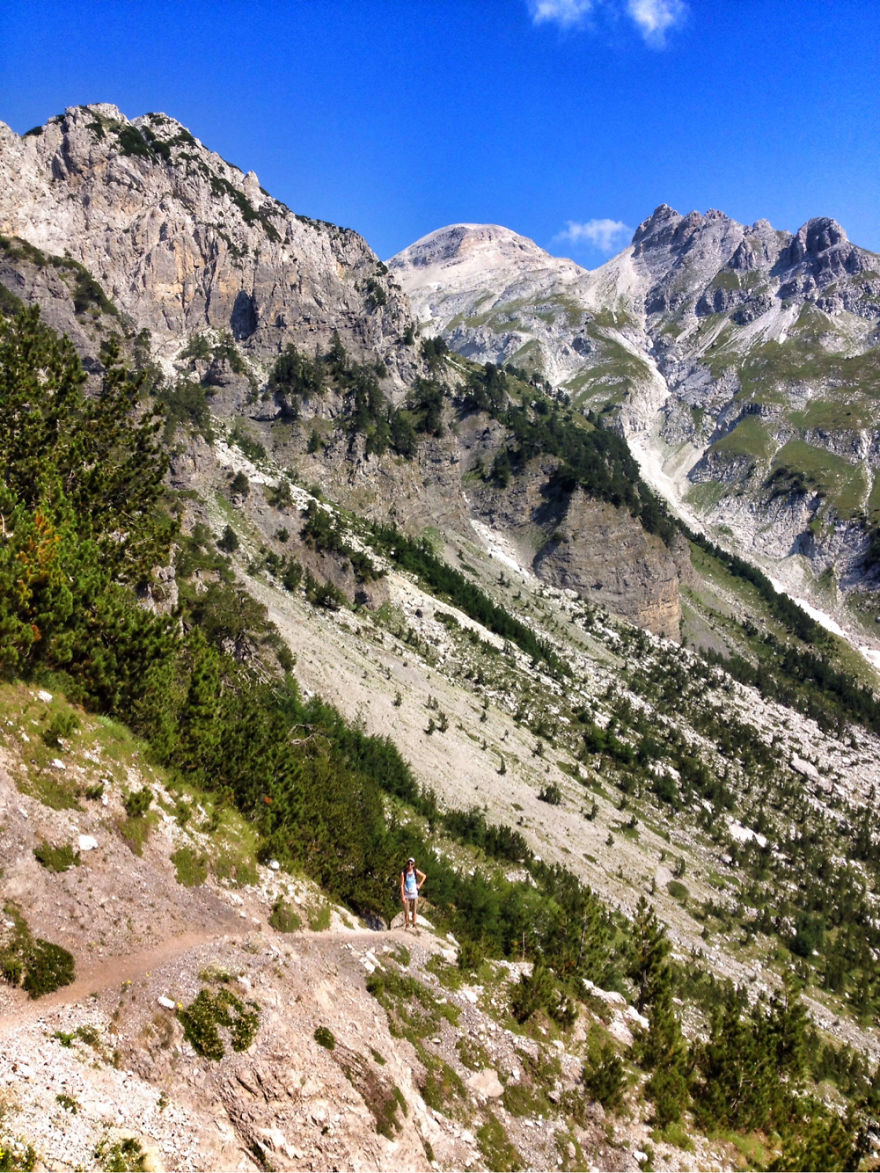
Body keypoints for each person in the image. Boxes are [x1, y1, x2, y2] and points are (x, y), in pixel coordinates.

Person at [400, 857, 426, 930]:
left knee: (414, 911)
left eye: (411, 864)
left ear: (414, 865)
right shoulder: (403, 873)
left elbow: (424, 876)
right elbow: (401, 885)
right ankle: (407, 925)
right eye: (409, 863)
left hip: (414, 895)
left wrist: (419, 885)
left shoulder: (415, 871)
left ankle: (414, 924)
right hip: (407, 895)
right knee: (406, 912)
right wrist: (402, 897)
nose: (410, 865)